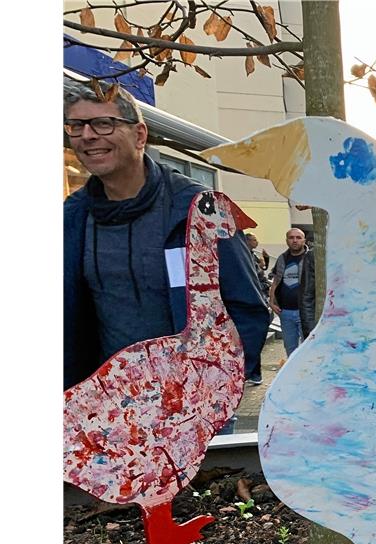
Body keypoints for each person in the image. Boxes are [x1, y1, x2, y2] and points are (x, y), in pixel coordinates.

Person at [63, 80, 270, 390]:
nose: (88, 136)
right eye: (76, 126)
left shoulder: (202, 210)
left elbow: (248, 309)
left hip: (189, 409)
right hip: (104, 410)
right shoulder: (72, 217)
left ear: (140, 135)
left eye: (103, 124)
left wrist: (212, 392)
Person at [269, 228, 318, 356]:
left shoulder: (312, 258)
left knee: (309, 348)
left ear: (304, 240)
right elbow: (276, 281)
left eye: (298, 237)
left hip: (306, 313)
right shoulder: (282, 258)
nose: (295, 240)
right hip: (285, 313)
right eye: (291, 237)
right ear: (286, 240)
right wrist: (272, 302)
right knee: (290, 349)